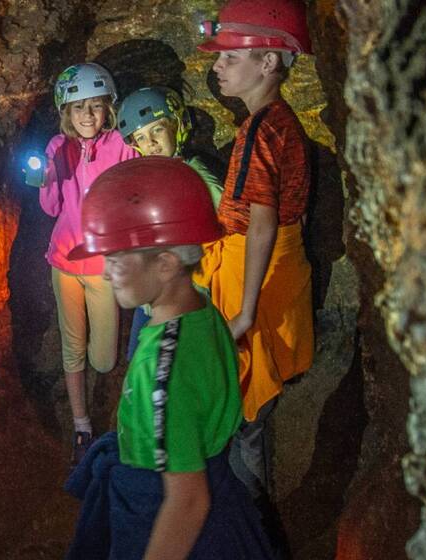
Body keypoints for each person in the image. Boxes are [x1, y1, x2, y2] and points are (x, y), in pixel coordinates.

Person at [64, 157, 273, 560]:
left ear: (165, 263)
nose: (105, 274)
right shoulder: (204, 312)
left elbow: (187, 502)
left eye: (115, 259)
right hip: (225, 503)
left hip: (163, 515)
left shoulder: (164, 369)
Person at [196, 0, 316, 502]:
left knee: (244, 414)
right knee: (252, 415)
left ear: (268, 62)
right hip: (278, 273)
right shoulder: (286, 123)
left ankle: (246, 521)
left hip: (254, 280)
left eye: (229, 57)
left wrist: (244, 314)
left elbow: (263, 221)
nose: (216, 66)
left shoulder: (260, 132)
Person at [37, 62, 137, 464]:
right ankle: (81, 425)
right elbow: (51, 208)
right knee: (72, 349)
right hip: (63, 262)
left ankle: (103, 398)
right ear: (66, 111)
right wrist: (49, 177)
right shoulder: (57, 147)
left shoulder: (120, 145)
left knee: (104, 358)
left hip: (101, 266)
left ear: (108, 109)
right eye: (79, 108)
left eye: (95, 106)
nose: (88, 116)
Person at [116, 86, 225, 361]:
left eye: (156, 129)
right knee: (139, 361)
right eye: (140, 137)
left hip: (188, 294)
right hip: (153, 294)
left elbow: (229, 228)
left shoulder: (197, 176)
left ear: (178, 125)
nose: (150, 142)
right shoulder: (148, 177)